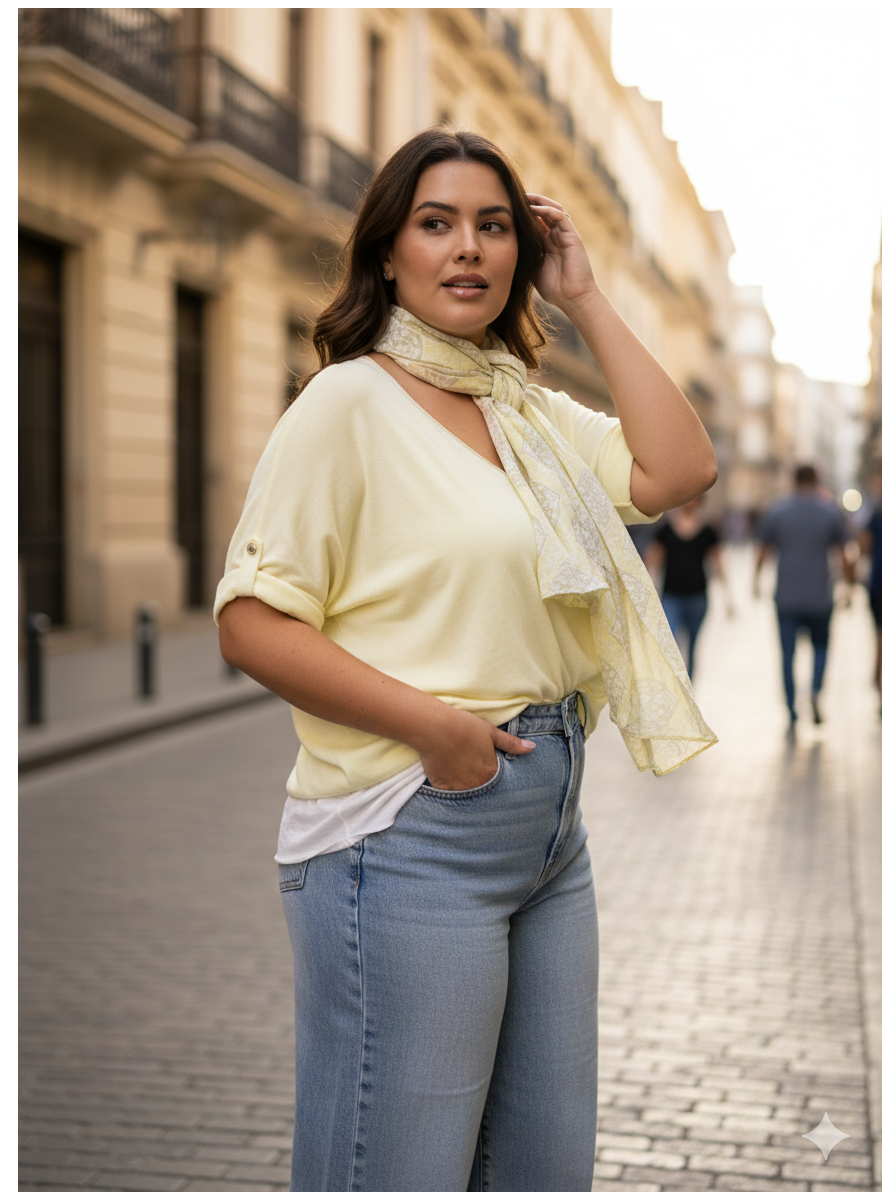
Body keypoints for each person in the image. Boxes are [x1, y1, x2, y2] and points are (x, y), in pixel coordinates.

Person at [215, 128, 717, 1192]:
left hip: (548, 836)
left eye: (494, 227)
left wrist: (586, 294)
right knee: (399, 1170)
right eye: (436, 224)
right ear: (388, 250)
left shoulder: (524, 411)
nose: (468, 249)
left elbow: (678, 467)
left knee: (543, 1168)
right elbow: (252, 623)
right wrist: (436, 729)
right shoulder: (348, 403)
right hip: (406, 830)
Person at [754, 464, 854, 728]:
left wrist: (755, 579)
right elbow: (844, 553)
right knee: (821, 648)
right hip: (820, 596)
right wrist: (850, 587)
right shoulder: (830, 512)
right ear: (817, 480)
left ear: (793, 481)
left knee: (787, 655)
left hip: (786, 596)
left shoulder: (777, 511)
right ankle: (815, 691)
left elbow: (763, 549)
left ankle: (791, 710)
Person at [644, 497, 732, 679]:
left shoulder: (708, 531)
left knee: (692, 646)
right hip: (671, 596)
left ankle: (689, 687)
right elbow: (653, 560)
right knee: (672, 643)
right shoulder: (665, 530)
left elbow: (717, 562)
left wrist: (727, 596)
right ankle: (675, 684)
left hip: (698, 597)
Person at [857, 466, 882, 706]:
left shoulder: (878, 513)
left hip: (880, 584)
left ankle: (881, 683)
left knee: (882, 636)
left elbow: (864, 545)